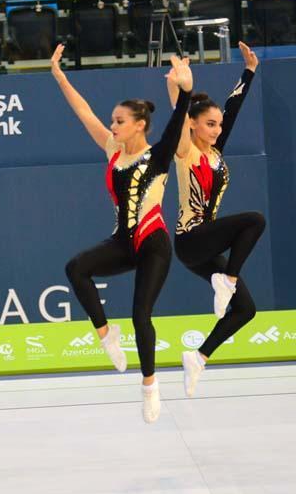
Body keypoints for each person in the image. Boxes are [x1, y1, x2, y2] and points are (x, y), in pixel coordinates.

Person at [52, 43, 194, 423]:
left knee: (140, 314)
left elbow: (180, 118)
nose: (112, 125)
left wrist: (185, 89)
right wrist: (60, 77)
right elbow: (82, 112)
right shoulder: (113, 150)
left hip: (153, 244)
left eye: (118, 121)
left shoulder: (158, 155)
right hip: (122, 241)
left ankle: (149, 386)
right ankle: (104, 333)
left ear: (139, 125)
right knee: (76, 268)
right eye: (113, 121)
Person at [168, 43, 266, 398]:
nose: (215, 129)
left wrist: (249, 71)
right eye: (209, 124)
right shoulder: (186, 150)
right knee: (254, 220)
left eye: (217, 126)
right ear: (192, 124)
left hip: (207, 245)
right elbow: (177, 112)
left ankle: (198, 356)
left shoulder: (213, 151)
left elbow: (232, 109)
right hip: (191, 239)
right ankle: (228, 279)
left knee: (246, 309)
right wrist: (180, 88)